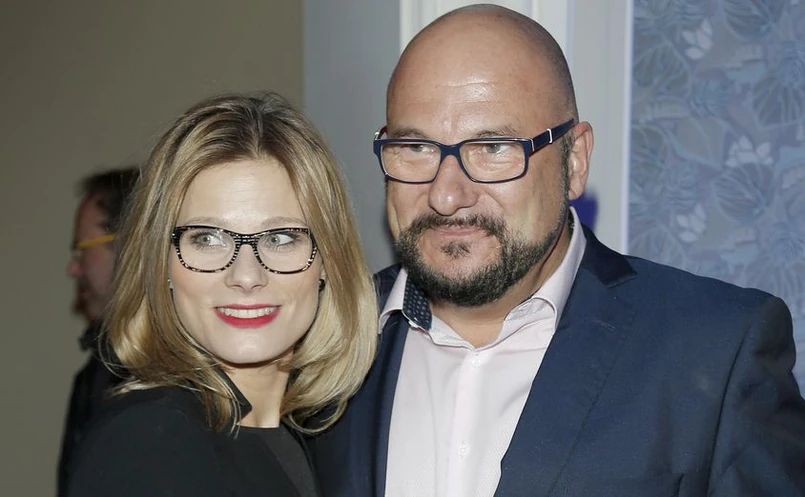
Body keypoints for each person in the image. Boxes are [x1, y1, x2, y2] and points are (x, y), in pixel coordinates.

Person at [309, 5, 805, 496]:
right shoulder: (317, 339)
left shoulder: (717, 351)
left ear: (575, 161)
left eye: (494, 147)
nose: (446, 195)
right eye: (415, 148)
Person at [66, 92, 377, 497]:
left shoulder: (311, 443)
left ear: (328, 262)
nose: (246, 276)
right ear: (160, 264)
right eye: (208, 238)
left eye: (281, 237)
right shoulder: (151, 441)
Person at [58, 167, 139, 497]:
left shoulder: (174, 373)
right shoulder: (95, 373)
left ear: (130, 244)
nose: (73, 268)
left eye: (82, 249)